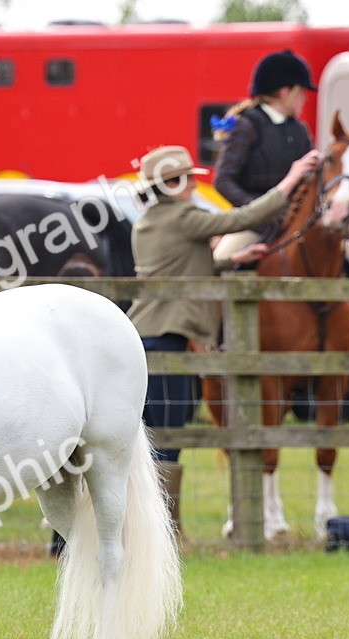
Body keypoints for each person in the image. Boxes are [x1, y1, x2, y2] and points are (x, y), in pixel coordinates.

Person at [127, 144, 320, 532]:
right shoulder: (184, 217)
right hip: (170, 340)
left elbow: (180, 269)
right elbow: (246, 216)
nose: (193, 188)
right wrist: (295, 175)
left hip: (141, 339)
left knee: (142, 442)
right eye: (187, 180)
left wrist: (233, 261)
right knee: (169, 438)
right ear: (174, 183)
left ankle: (146, 526)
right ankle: (164, 530)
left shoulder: (148, 220)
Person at [213, 49, 349, 323]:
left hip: (298, 224)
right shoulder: (246, 126)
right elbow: (223, 180)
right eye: (302, 93)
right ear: (285, 92)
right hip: (253, 225)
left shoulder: (299, 130)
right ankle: (215, 342)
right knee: (220, 260)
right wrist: (259, 214)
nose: (303, 100)